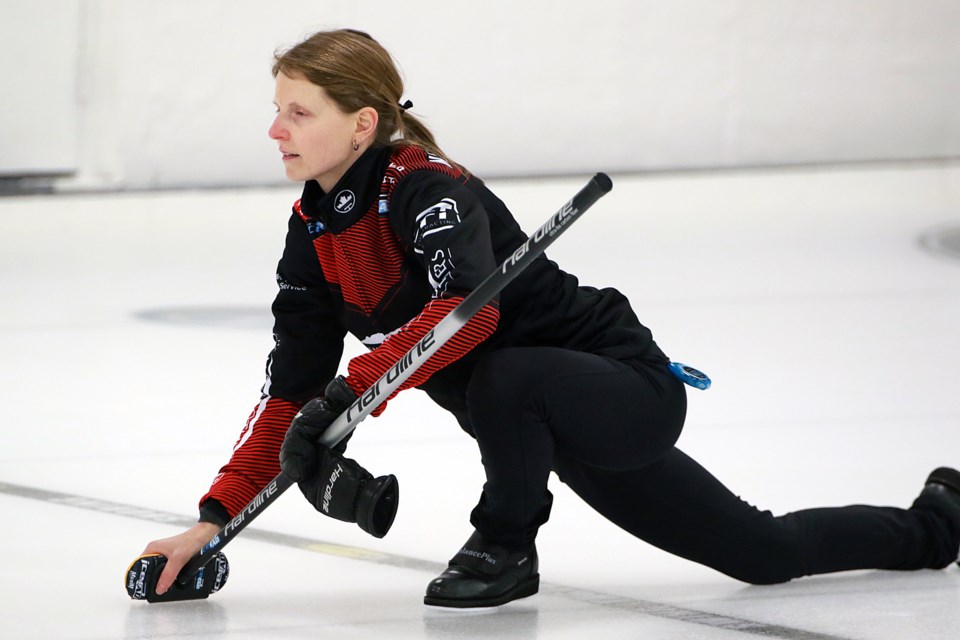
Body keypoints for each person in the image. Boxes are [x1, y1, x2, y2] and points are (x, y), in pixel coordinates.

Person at [141, 28, 960, 609]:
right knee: (762, 553)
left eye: (299, 112)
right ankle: (938, 524)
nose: (275, 129)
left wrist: (350, 387)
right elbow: (290, 389)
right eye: (277, 109)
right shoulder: (313, 232)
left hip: (620, 389)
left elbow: (459, 320)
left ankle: (505, 543)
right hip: (539, 425)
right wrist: (211, 522)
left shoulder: (430, 187)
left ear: (362, 123)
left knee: (500, 368)